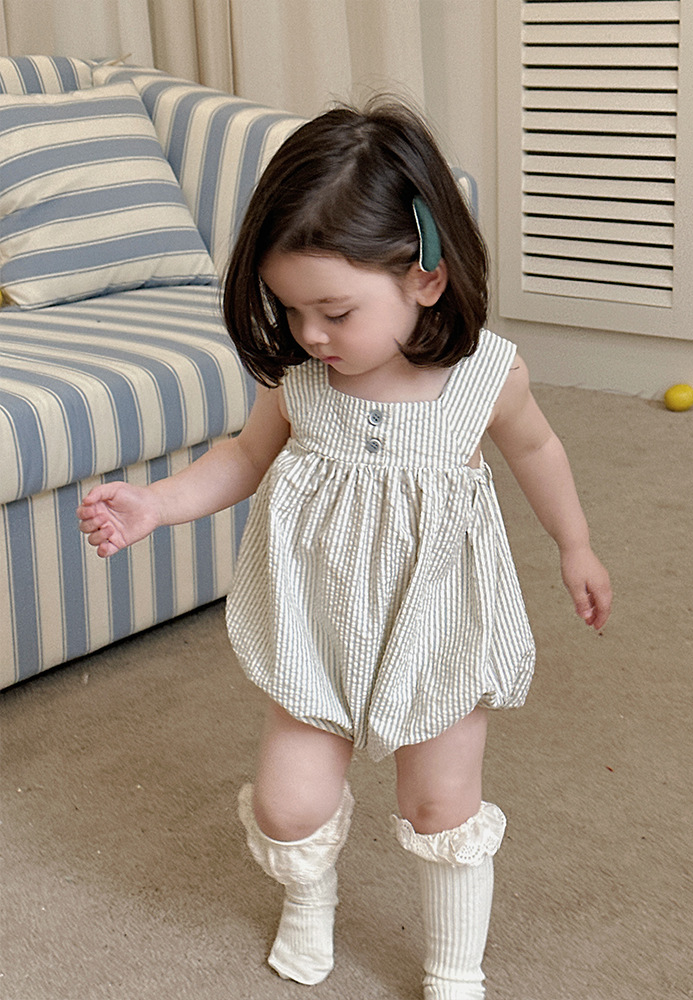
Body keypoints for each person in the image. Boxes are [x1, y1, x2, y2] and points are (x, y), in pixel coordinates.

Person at [77, 98, 612, 999]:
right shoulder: (301, 379)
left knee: (440, 805)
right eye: (292, 310)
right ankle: (308, 895)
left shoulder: (485, 375)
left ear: (426, 280)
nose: (311, 335)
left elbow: (537, 451)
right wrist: (154, 506)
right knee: (288, 805)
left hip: (437, 624)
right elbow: (244, 457)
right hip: (315, 624)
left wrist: (576, 544)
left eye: (334, 311)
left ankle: (454, 966)